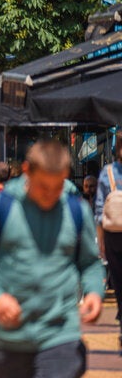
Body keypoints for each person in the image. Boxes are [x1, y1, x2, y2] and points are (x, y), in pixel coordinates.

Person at [0, 139, 103, 378]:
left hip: (61, 336)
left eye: (58, 186)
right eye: (43, 186)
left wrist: (94, 292)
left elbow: (90, 263)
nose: (50, 195)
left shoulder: (76, 210)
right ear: (28, 170)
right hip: (9, 340)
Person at [95, 142, 122, 355]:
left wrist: (100, 242)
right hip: (113, 234)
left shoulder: (108, 173)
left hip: (114, 233)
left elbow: (98, 211)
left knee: (119, 280)